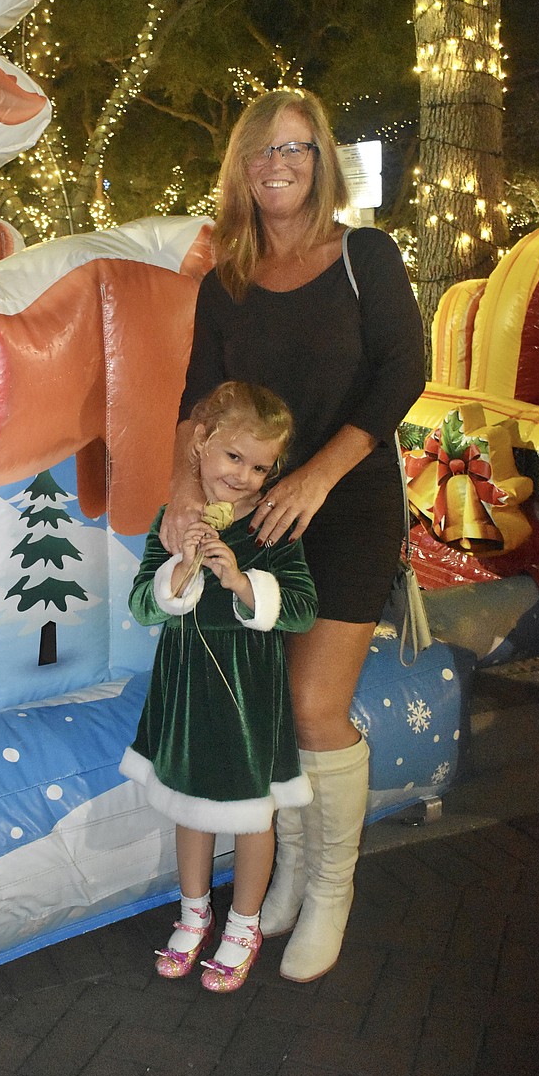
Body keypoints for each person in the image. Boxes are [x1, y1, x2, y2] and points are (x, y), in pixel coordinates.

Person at [160, 88, 425, 983]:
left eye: (297, 148)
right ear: (240, 164)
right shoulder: (223, 284)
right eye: (262, 149)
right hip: (255, 524)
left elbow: (404, 370)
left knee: (314, 710)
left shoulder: (364, 255)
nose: (277, 163)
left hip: (347, 508)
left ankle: (331, 888)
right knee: (276, 714)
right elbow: (199, 404)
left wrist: (318, 471)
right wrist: (178, 494)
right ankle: (291, 878)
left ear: (322, 162)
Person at [120, 381, 318, 993]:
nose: (246, 476)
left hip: (249, 697)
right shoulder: (173, 520)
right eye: (235, 457)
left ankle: (245, 923)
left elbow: (303, 608)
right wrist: (177, 572)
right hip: (185, 694)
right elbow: (142, 605)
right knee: (191, 806)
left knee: (253, 816)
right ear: (202, 443)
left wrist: (240, 582)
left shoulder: (271, 525)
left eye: (261, 465)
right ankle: (193, 911)